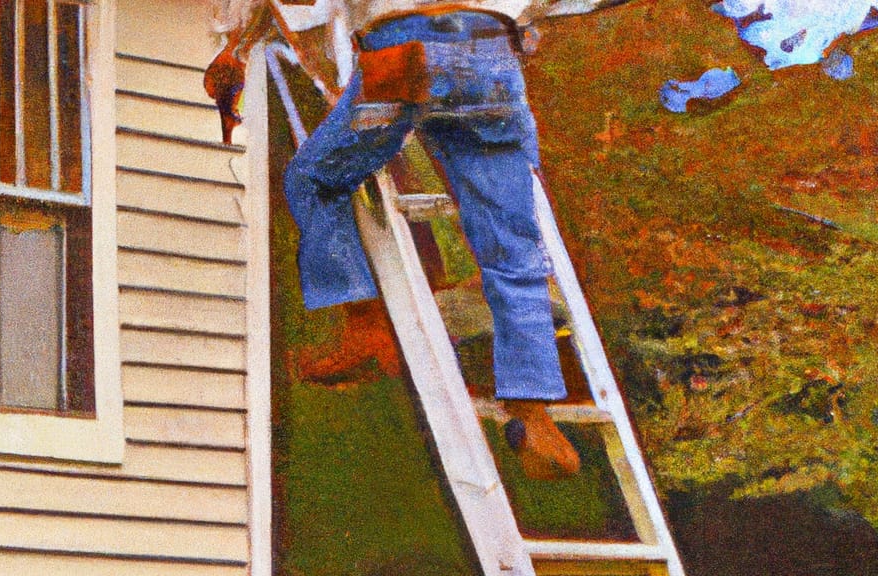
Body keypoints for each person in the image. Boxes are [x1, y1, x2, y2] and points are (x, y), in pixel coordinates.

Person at [206, 0, 627, 479]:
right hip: (493, 59)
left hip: (405, 54)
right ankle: (530, 409)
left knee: (314, 180)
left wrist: (236, 46)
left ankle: (365, 325)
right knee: (511, 248)